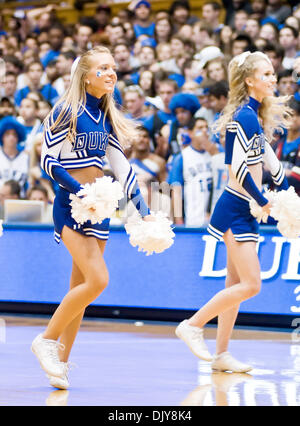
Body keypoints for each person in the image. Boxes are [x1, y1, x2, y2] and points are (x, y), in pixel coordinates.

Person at [31, 46, 153, 390]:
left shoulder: (106, 116)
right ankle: (46, 340)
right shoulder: (66, 111)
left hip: (99, 209)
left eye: (113, 68)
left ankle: (61, 363)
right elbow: (48, 162)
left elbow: (121, 167)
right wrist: (78, 190)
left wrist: (142, 211)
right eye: (103, 68)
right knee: (98, 281)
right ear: (86, 75)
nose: (111, 73)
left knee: (79, 289)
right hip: (72, 205)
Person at [175, 51, 291, 372]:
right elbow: (237, 170)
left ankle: (221, 354)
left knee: (234, 284)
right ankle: (193, 325)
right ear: (249, 80)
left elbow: (264, 157)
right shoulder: (244, 116)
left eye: (273, 74)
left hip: (245, 207)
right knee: (251, 284)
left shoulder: (252, 115)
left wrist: (283, 185)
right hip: (237, 206)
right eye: (266, 74)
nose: (273, 79)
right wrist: (263, 199)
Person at [168, 117, 218, 226]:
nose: (204, 131)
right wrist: (179, 220)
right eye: (200, 128)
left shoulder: (216, 153)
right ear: (190, 133)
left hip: (217, 215)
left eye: (206, 128)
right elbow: (176, 191)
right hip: (194, 217)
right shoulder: (182, 157)